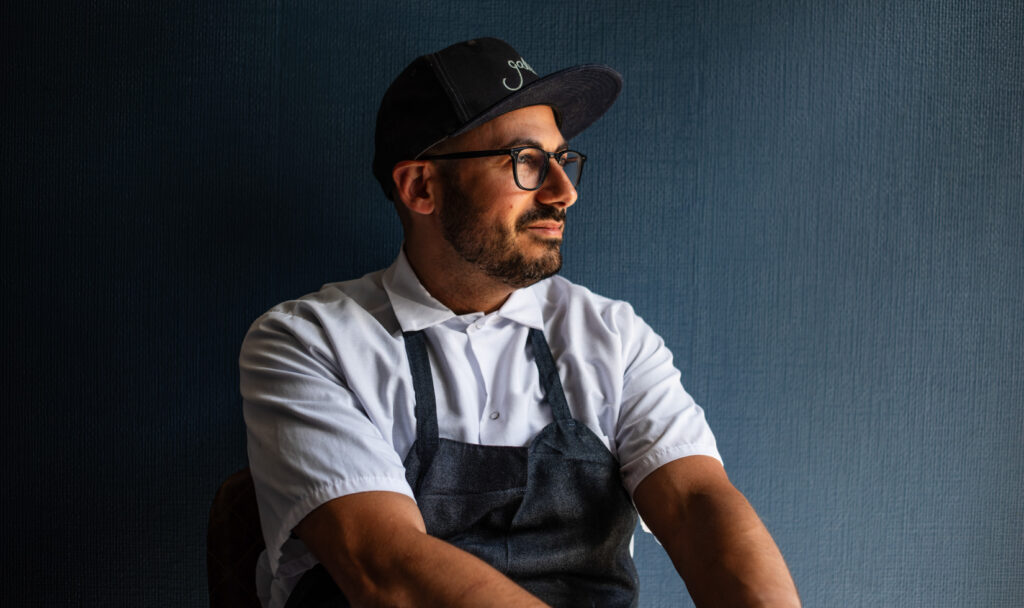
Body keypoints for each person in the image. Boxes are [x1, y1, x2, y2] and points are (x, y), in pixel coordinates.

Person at [240, 37, 800, 608]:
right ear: (421, 187)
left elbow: (697, 504)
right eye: (526, 161)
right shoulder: (306, 343)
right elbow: (389, 571)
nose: (565, 192)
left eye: (561, 159)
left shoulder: (613, 336)